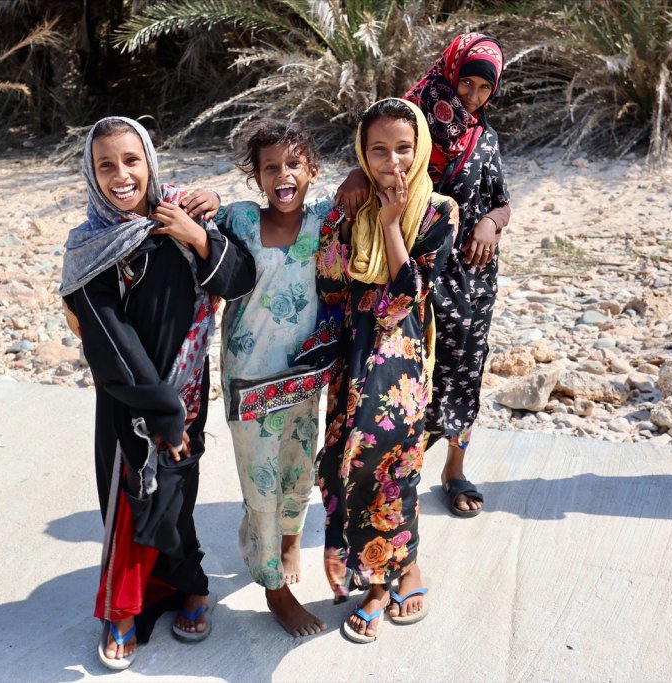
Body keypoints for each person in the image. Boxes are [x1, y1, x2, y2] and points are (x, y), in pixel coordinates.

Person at [59, 117, 255, 668]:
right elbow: (107, 339)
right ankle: (122, 610)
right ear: (91, 175)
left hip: (189, 388)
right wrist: (161, 409)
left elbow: (238, 280)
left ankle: (188, 585)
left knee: (177, 494)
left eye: (131, 161)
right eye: (106, 165)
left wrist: (196, 235)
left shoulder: (184, 213)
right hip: (131, 399)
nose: (121, 176)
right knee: (130, 500)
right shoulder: (90, 244)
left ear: (149, 160)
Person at [337, 34, 510, 517]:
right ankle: (391, 473)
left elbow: (501, 200)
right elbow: (375, 160)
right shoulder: (408, 120)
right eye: (467, 83)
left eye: (483, 88)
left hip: (468, 275)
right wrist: (354, 175)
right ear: (449, 72)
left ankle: (454, 469)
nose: (472, 96)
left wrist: (490, 225)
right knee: (398, 370)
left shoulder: (485, 138)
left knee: (462, 368)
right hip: (406, 264)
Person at [316, 98, 457, 642]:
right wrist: (350, 215)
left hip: (398, 351)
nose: (392, 161)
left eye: (403, 147)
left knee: (387, 460)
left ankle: (383, 580)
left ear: (420, 148)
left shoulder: (440, 210)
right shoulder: (351, 200)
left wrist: (391, 223)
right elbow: (330, 281)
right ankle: (383, 567)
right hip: (350, 348)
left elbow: (407, 294)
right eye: (378, 150)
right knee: (342, 462)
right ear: (361, 152)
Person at [215, 119, 335, 637]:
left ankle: (290, 538)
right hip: (249, 378)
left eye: (293, 164)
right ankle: (275, 590)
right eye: (270, 168)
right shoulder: (240, 220)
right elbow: (195, 229)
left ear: (311, 169)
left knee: (297, 469)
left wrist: (354, 178)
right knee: (260, 484)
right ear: (257, 176)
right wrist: (197, 199)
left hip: (303, 376)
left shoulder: (325, 218)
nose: (282, 176)